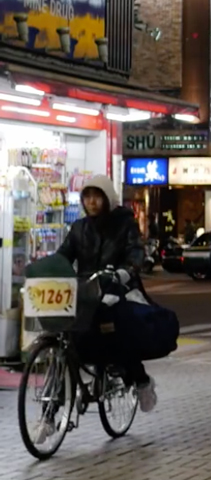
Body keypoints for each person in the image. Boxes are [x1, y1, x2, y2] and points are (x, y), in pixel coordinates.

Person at [58, 176, 157, 411]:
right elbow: (64, 255)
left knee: (117, 335)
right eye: (87, 197)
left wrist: (125, 272)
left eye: (97, 196)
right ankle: (52, 412)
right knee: (70, 337)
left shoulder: (124, 224)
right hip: (85, 291)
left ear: (107, 198)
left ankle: (141, 381)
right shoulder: (79, 228)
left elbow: (135, 252)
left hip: (115, 288)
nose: (91, 202)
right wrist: (48, 268)